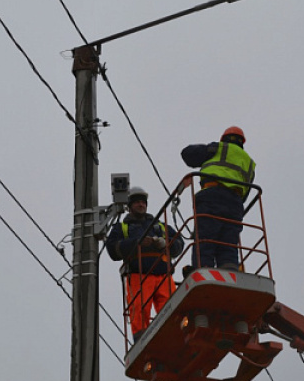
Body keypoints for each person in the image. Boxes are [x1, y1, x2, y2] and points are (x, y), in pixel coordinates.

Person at [106, 186, 183, 338]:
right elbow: (113, 250)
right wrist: (137, 243)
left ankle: (173, 337)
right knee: (139, 310)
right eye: (137, 202)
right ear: (130, 206)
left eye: (143, 202)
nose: (141, 204)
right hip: (138, 275)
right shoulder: (122, 228)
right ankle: (141, 340)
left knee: (171, 309)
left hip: (163, 275)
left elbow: (179, 244)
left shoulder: (160, 226)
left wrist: (165, 243)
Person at [181, 126, 256, 270]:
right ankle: (230, 270)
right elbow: (246, 193)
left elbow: (188, 154)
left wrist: (209, 149)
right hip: (235, 204)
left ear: (224, 139)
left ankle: (203, 268)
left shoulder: (219, 148)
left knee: (205, 238)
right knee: (228, 243)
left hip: (212, 196)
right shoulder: (249, 163)